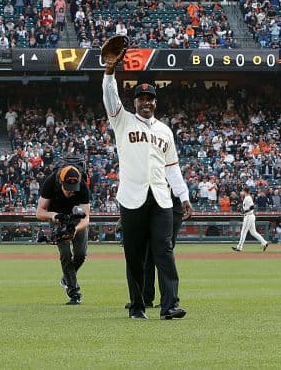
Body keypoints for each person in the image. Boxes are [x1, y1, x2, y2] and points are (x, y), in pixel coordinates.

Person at [104, 49, 191, 320]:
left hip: (162, 199)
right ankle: (138, 306)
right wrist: (109, 72)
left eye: (150, 99)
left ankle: (170, 306)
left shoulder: (165, 130)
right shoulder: (122, 120)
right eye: (142, 99)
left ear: (155, 102)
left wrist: (183, 195)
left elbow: (172, 167)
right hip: (131, 197)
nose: (146, 103)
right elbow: (110, 97)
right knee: (135, 255)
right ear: (135, 102)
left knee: (164, 250)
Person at [36, 164, 91, 305]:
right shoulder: (50, 183)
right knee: (65, 254)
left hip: (76, 220)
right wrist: (53, 215)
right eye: (67, 188)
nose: (70, 192)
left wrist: (75, 230)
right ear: (61, 182)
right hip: (58, 219)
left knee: (81, 254)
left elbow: (86, 218)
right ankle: (74, 292)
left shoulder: (83, 187)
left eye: (73, 189)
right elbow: (39, 212)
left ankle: (66, 278)